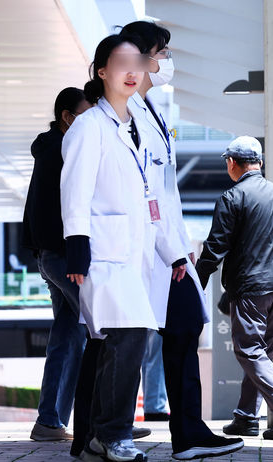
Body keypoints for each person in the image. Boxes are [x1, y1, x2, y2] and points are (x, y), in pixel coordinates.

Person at [121, 20, 244, 460]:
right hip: (154, 251)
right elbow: (145, 193)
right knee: (124, 343)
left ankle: (188, 430)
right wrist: (172, 250)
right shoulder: (126, 113)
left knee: (185, 329)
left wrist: (179, 246)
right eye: (162, 52)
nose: (167, 60)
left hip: (170, 250)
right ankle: (116, 432)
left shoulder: (150, 108)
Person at [61, 33, 164, 462]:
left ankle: (94, 437)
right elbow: (75, 190)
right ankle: (113, 433)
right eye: (121, 62)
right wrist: (77, 246)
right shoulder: (89, 127)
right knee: (129, 334)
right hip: (102, 252)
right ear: (102, 72)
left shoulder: (133, 125)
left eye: (137, 61)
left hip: (132, 253)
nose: (132, 70)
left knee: (116, 342)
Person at [196, 136, 273, 440]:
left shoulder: (232, 197)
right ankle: (246, 417)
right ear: (259, 163)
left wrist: (197, 280)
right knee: (264, 352)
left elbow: (215, 246)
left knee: (249, 350)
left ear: (232, 163)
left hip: (251, 288)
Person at [23, 87, 91, 441]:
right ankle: (103, 424)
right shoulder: (65, 149)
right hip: (65, 256)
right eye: (85, 114)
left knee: (67, 337)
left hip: (50, 256)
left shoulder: (49, 148)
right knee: (103, 330)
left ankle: (49, 421)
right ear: (67, 117)